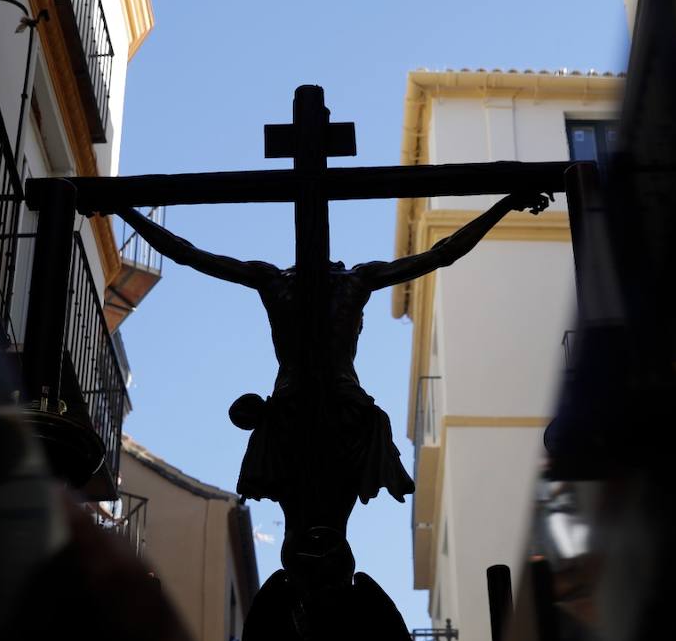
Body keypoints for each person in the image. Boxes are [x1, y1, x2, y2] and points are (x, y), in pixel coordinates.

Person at [117, 190, 552, 552]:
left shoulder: (279, 280)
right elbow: (444, 254)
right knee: (325, 516)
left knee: (307, 515)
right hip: (337, 410)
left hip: (298, 409)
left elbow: (187, 254)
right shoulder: (349, 281)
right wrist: (504, 204)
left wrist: (124, 208)